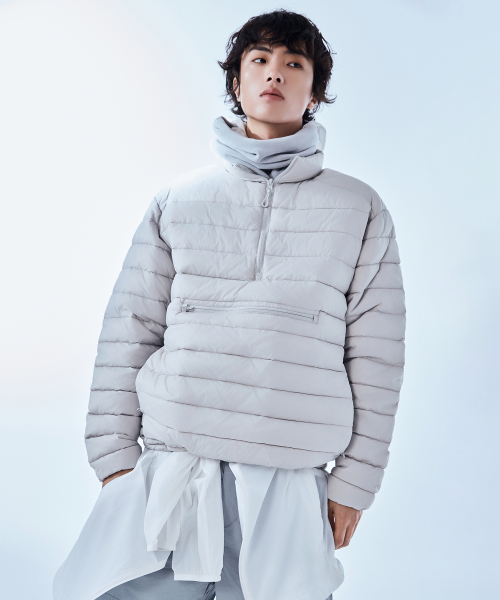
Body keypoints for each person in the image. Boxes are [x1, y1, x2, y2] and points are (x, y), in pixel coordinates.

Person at [53, 9, 405, 600]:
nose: (275, 73)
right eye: (259, 60)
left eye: (294, 63)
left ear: (315, 92)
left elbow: (377, 355)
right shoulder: (179, 199)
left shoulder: (359, 208)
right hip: (173, 467)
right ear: (237, 84)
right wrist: (112, 455)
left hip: (289, 481)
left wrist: (355, 484)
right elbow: (130, 328)